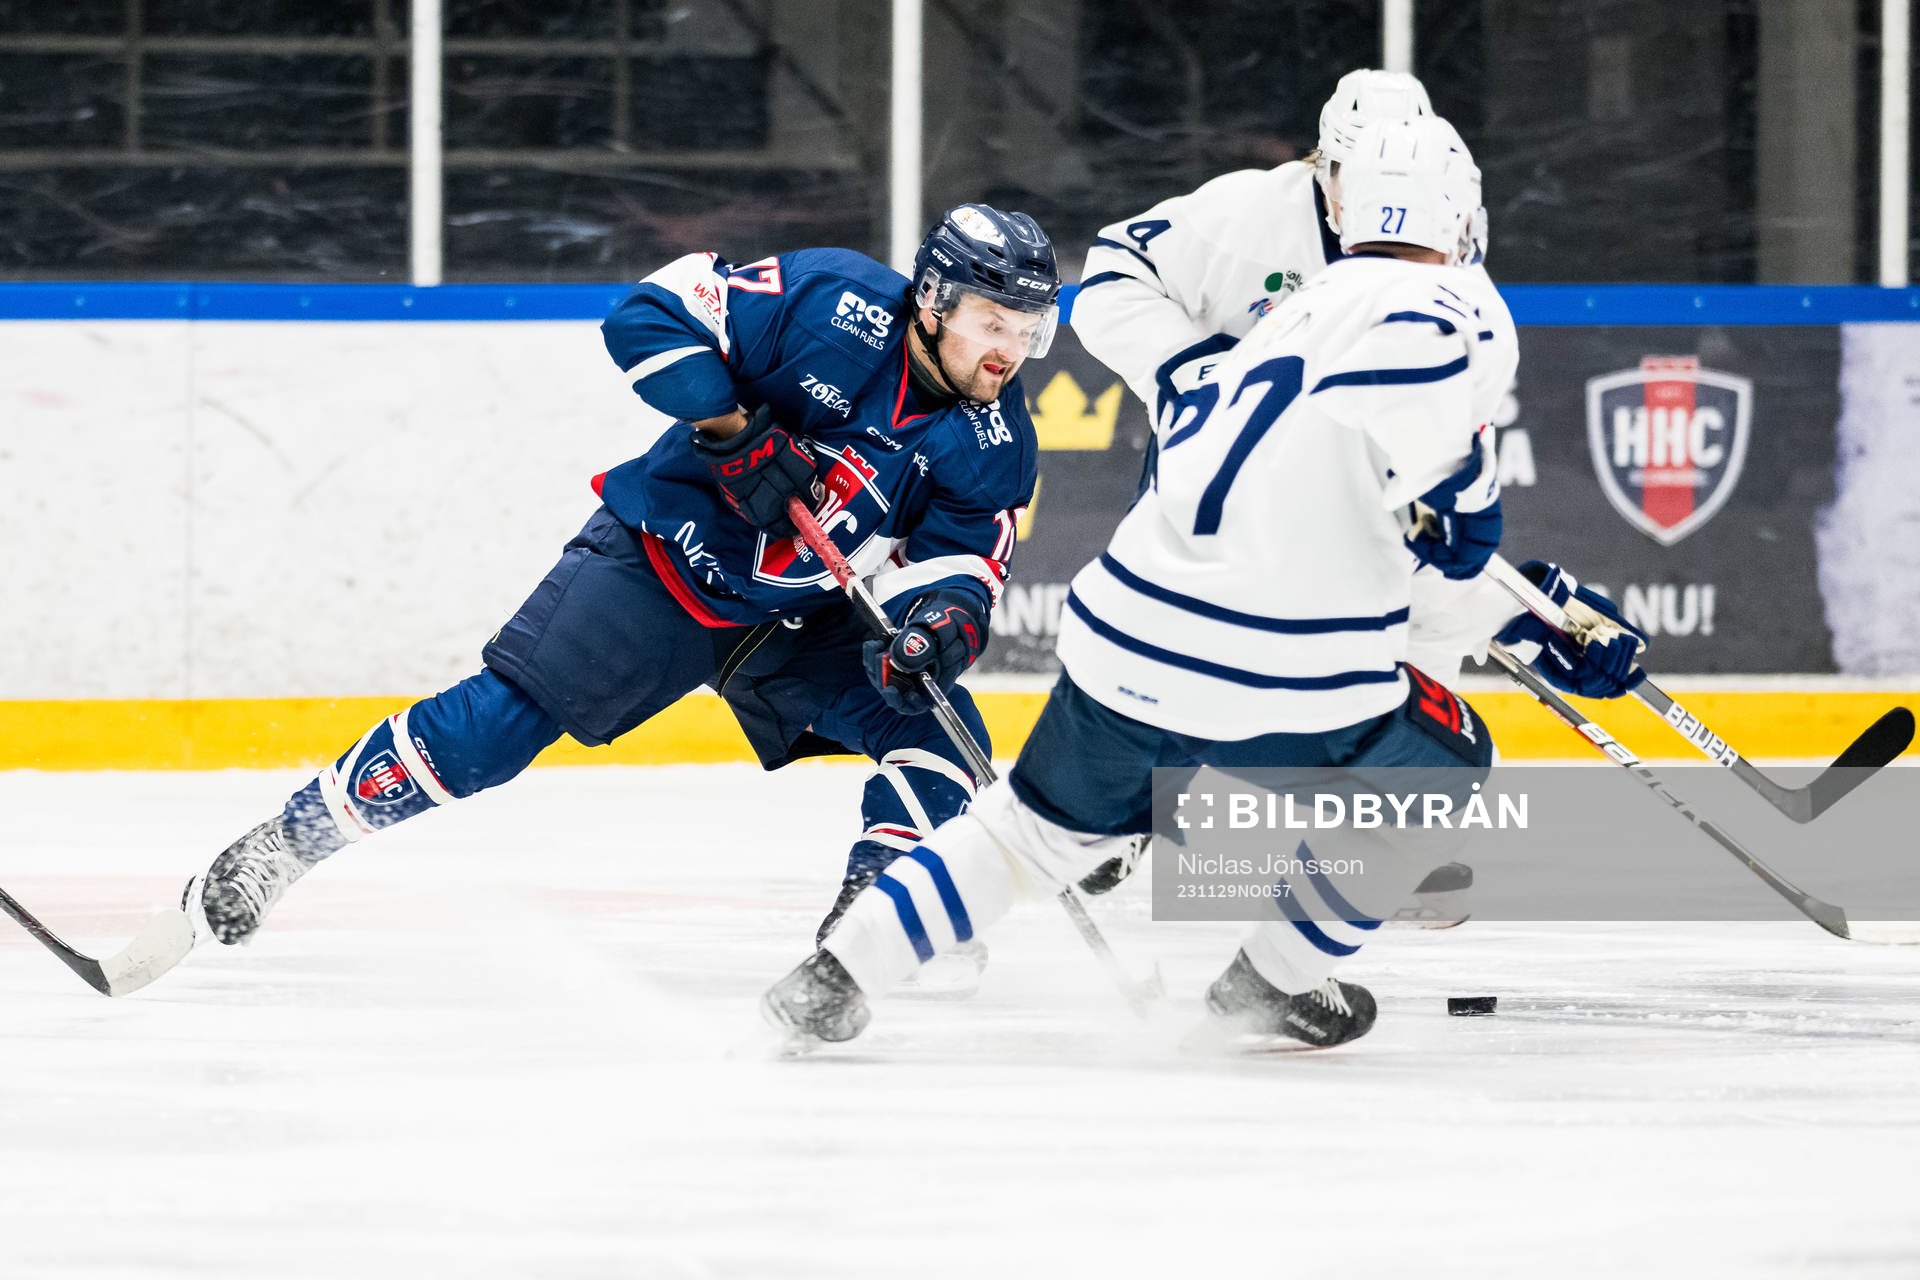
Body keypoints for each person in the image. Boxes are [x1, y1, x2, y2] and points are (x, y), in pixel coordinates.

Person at [762, 116, 1648, 1050]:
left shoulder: (1288, 315)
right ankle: (1273, 982)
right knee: (1446, 769)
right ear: (1460, 215)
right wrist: (1480, 528)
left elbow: (1344, 529)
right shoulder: (1453, 306)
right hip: (1279, 659)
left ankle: (833, 979)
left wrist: (1524, 608)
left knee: (1033, 835)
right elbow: (1416, 499)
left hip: (1132, 624)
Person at [185, 204, 1062, 954]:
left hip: (804, 620)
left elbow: (961, 567)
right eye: (993, 324)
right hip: (666, 564)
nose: (1009, 353)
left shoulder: (997, 441)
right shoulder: (830, 302)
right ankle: (283, 845)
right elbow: (647, 315)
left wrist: (937, 629)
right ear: (936, 301)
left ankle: (868, 928)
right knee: (496, 726)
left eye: (1028, 332)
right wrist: (732, 432)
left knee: (949, 742)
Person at [1068, 68, 1515, 914]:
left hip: (1352, 480)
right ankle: (1121, 806)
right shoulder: (1245, 215)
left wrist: (1437, 474)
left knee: (1403, 624)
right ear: (1322, 164)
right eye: (1347, 171)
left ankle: (1382, 833)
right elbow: (1110, 276)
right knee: (1189, 632)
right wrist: (1190, 372)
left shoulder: (1446, 227)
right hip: (1227, 473)